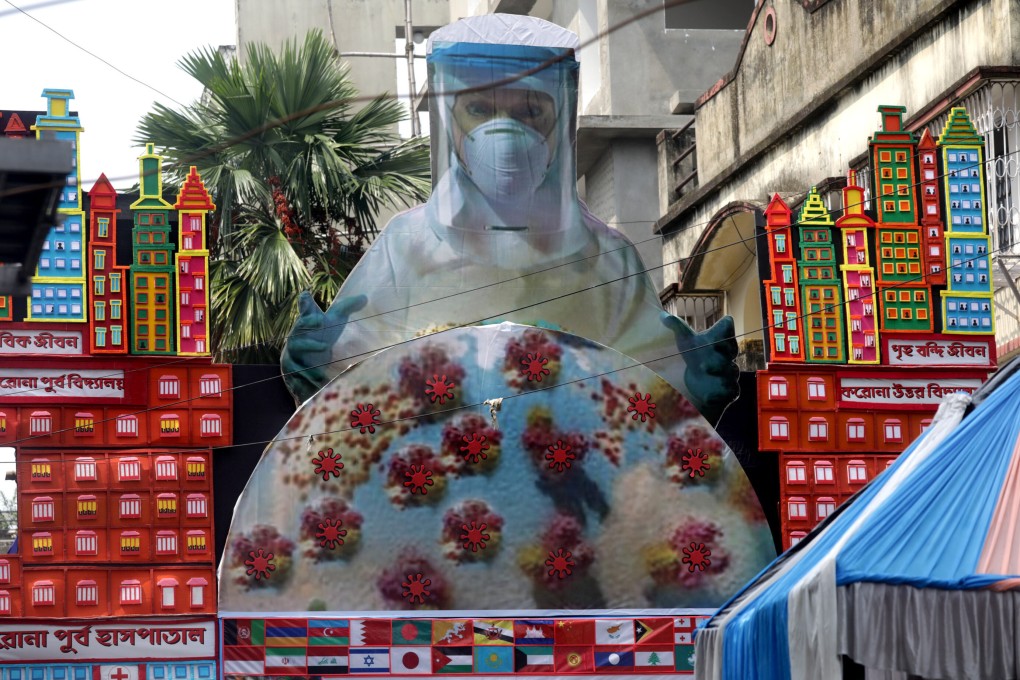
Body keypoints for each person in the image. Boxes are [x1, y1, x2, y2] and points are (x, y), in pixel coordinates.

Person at [282, 14, 739, 424]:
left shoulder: (608, 258)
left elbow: (652, 382)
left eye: (529, 111)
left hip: (576, 492)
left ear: (558, 120)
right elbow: (356, 376)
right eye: (479, 109)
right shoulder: (408, 245)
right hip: (431, 491)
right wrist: (318, 360)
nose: (505, 131)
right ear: (451, 118)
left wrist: (694, 384)